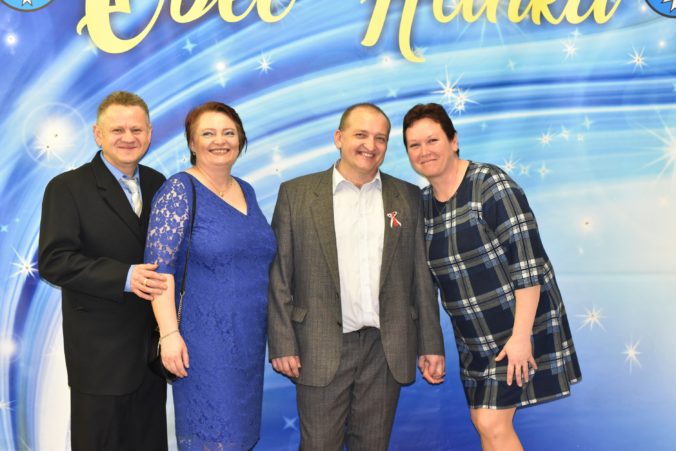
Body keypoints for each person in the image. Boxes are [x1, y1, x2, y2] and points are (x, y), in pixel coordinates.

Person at [402, 103, 582, 451]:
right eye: (414, 145)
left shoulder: (489, 184)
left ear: (454, 141)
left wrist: (521, 337)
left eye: (433, 140)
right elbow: (426, 285)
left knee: (490, 422)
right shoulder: (423, 206)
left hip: (519, 325)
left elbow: (528, 265)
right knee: (484, 423)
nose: (424, 151)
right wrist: (428, 345)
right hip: (474, 339)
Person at [267, 103, 446, 451]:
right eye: (361, 135)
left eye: (380, 138)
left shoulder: (408, 197)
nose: (370, 145)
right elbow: (279, 277)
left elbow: (421, 278)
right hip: (318, 345)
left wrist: (430, 344)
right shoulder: (296, 194)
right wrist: (283, 343)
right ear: (339, 138)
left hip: (385, 349)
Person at [38, 91, 169, 451]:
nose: (128, 138)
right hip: (100, 360)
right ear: (97, 134)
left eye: (136, 130)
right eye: (117, 130)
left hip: (151, 355)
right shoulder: (66, 187)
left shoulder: (159, 183)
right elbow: (54, 260)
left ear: (149, 133)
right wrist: (124, 277)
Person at [144, 101, 276, 450]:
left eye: (229, 133)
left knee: (240, 437)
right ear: (192, 143)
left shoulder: (246, 190)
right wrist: (169, 334)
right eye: (208, 133)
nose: (220, 140)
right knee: (213, 438)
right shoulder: (178, 190)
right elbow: (159, 270)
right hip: (202, 346)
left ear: (241, 140)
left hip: (248, 343)